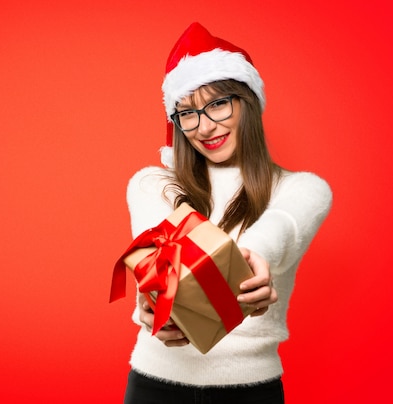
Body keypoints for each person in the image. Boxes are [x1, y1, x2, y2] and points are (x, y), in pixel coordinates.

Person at [119, 22, 332, 403]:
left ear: (246, 101)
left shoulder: (303, 189)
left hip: (251, 391)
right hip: (155, 385)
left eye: (218, 103)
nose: (205, 126)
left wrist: (253, 256)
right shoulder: (153, 184)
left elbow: (278, 229)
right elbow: (156, 261)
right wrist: (151, 309)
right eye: (187, 113)